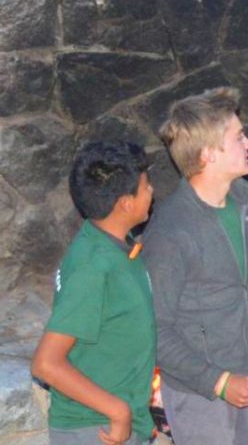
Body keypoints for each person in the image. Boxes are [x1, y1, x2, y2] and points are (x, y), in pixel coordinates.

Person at [142, 87, 248, 445]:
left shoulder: (245, 206)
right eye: (239, 137)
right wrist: (219, 382)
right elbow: (155, 329)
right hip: (201, 396)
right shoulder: (170, 230)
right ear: (209, 153)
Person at [32, 141, 156, 445]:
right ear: (125, 203)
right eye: (145, 185)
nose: (152, 191)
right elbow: (46, 363)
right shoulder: (94, 267)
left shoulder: (111, 246)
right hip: (93, 428)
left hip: (116, 421)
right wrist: (118, 411)